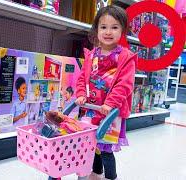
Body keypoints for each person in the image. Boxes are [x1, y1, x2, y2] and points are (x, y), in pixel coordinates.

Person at [75, 5, 137, 180]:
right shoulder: (91, 55)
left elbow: (125, 85)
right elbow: (82, 78)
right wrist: (80, 94)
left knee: (106, 148)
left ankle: (111, 176)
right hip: (91, 109)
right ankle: (96, 173)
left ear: (123, 30)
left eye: (114, 27)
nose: (108, 32)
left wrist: (110, 103)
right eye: (103, 27)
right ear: (96, 30)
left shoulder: (125, 57)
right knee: (92, 144)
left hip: (111, 112)